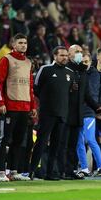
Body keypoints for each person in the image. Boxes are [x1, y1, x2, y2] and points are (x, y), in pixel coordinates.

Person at [0, 33, 36, 182]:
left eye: (25, 43)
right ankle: (0, 172)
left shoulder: (28, 62)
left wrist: (33, 106)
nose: (23, 45)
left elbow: (30, 87)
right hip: (10, 107)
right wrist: (0, 103)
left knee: (19, 141)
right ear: (13, 45)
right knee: (3, 140)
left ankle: (13, 171)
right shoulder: (6, 59)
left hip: (24, 107)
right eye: (20, 43)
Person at [58, 45, 101, 180]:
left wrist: (97, 108)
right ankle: (60, 171)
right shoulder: (65, 70)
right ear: (69, 54)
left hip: (78, 113)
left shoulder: (82, 72)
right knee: (63, 144)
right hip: (65, 113)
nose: (79, 54)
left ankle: (70, 170)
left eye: (80, 52)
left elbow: (86, 94)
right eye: (76, 52)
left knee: (73, 144)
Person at [29, 46, 73, 180]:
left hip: (62, 113)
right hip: (47, 113)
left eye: (66, 55)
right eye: (62, 55)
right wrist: (46, 101)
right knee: (41, 142)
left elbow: (69, 91)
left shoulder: (69, 73)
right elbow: (35, 88)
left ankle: (50, 173)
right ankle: (31, 171)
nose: (64, 58)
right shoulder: (46, 69)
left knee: (56, 144)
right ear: (55, 56)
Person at [76, 52, 101, 177]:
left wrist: (96, 109)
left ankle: (100, 167)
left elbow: (91, 93)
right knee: (79, 141)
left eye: (86, 62)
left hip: (88, 111)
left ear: (90, 62)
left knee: (90, 139)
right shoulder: (79, 73)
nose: (84, 64)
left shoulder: (93, 75)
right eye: (82, 62)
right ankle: (84, 168)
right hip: (77, 111)